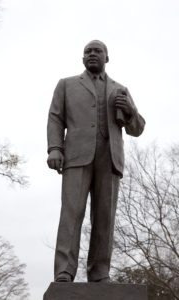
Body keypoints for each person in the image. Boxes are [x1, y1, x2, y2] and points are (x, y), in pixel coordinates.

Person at [47, 40, 145, 283]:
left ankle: (100, 272)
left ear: (106, 58)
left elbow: (138, 129)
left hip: (109, 158)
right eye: (87, 51)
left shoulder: (120, 89)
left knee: (105, 218)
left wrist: (130, 109)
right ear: (82, 59)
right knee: (71, 213)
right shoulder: (67, 85)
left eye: (97, 51)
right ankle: (64, 271)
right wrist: (55, 148)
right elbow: (55, 118)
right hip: (76, 157)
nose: (92, 54)